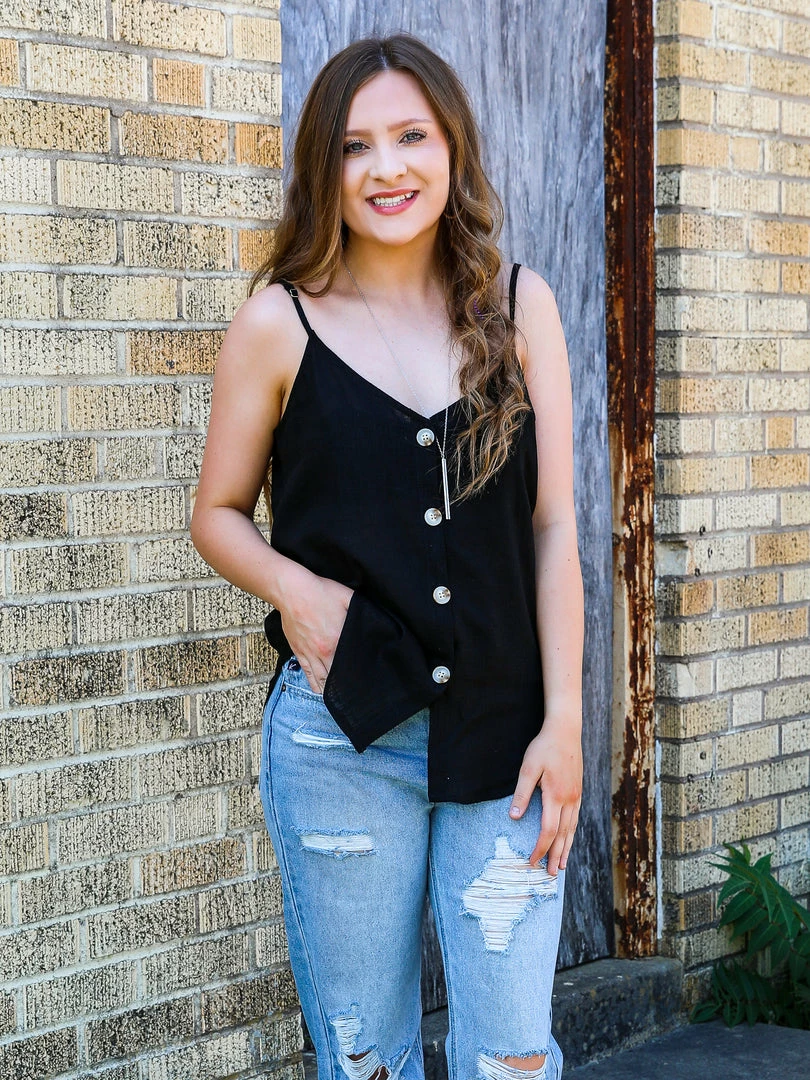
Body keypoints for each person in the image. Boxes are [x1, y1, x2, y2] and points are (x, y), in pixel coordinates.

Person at [190, 32, 584, 1080]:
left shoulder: (521, 308)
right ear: (324, 168)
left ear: (452, 148)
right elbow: (217, 513)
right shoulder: (278, 324)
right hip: (341, 744)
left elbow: (553, 529)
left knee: (512, 1058)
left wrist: (566, 722)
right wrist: (295, 590)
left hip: (509, 744)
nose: (386, 168)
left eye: (412, 136)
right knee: (367, 1062)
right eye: (355, 146)